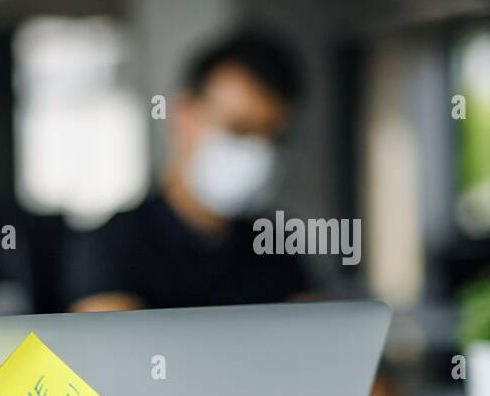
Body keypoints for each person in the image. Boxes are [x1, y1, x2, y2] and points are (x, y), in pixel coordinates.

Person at [66, 30, 315, 312]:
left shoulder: (274, 243)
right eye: (238, 129)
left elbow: (319, 341)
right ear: (184, 114)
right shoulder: (111, 244)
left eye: (272, 137)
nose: (257, 151)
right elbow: (113, 351)